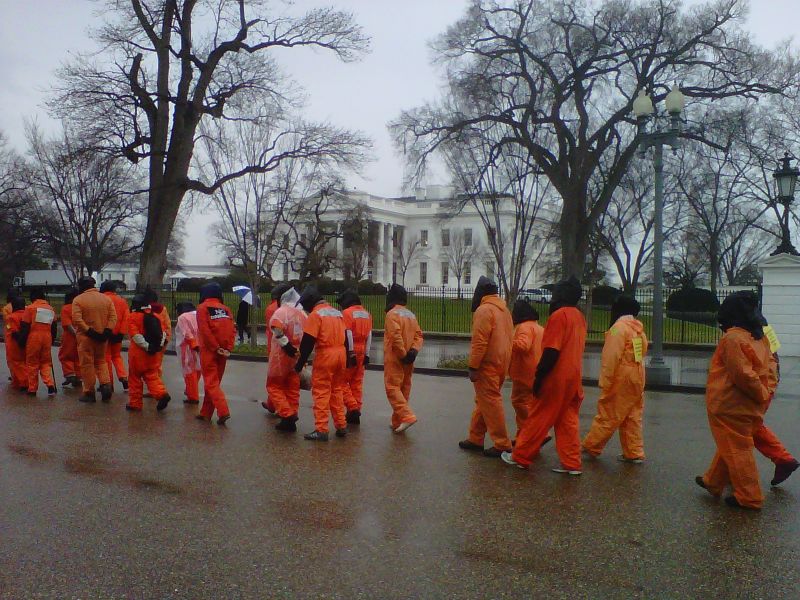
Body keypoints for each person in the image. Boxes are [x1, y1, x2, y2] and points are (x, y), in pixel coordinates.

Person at [696, 293, 777, 510]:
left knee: (737, 449)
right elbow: (771, 366)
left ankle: (750, 497)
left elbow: (741, 374)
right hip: (750, 404)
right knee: (733, 444)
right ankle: (712, 482)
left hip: (729, 404)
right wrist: (765, 392)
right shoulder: (759, 336)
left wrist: (760, 392)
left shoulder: (732, 339)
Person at [503, 276, 587, 475]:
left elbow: (551, 351)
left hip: (556, 376)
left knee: (538, 416)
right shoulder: (579, 317)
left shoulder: (559, 316)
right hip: (574, 377)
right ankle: (572, 463)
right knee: (568, 421)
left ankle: (521, 456)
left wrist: (539, 377)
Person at [739, 293, 799, 487]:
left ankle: (783, 459)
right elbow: (774, 354)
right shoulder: (763, 325)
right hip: (768, 380)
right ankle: (722, 474)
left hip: (761, 382)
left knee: (741, 428)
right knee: (745, 427)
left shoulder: (747, 327)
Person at [582, 295, 649, 463]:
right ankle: (634, 452)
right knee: (632, 415)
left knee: (609, 411)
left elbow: (611, 356)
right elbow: (641, 353)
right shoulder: (638, 329)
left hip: (622, 375)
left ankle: (592, 445)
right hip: (637, 373)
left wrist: (605, 380)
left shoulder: (617, 329)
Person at [458, 277, 514, 457]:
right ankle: (475, 438)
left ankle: (502, 443)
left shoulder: (484, 310)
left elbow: (479, 342)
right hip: (502, 362)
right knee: (484, 401)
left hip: (487, 364)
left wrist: (473, 366)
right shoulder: (504, 310)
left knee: (490, 402)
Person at [293, 285, 352, 441]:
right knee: (337, 390)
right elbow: (346, 337)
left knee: (321, 392)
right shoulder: (336, 312)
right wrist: (347, 357)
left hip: (326, 355)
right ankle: (341, 425)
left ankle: (321, 429)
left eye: (305, 305)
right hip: (341, 354)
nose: (305, 308)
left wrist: (299, 364)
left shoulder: (315, 315)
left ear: (311, 302)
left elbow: (307, 343)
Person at [383, 284, 423, 434]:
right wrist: (413, 351)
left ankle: (406, 416)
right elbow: (419, 335)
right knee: (404, 388)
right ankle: (397, 421)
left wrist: (402, 354)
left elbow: (395, 336)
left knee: (392, 388)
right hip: (409, 358)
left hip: (396, 358)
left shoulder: (391, 314)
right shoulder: (411, 315)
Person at [267, 286, 306, 432]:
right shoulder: (302, 313)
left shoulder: (281, 311)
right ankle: (293, 413)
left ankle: (286, 414)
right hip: (297, 355)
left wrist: (286, 345)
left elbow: (277, 329)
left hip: (281, 355)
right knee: (293, 387)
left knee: (274, 386)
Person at [72, 276, 117, 403]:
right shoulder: (106, 299)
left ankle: (89, 392)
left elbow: (77, 319)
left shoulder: (78, 300)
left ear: (81, 286)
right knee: (101, 362)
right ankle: (106, 384)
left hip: (86, 337)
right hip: (103, 337)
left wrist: (89, 331)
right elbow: (113, 317)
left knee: (87, 364)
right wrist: (107, 331)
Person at [195, 282, 235, 425]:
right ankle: (206, 412)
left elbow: (205, 331)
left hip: (209, 350)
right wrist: (228, 348)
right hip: (224, 352)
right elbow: (232, 330)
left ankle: (223, 411)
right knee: (214, 383)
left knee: (211, 383)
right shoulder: (227, 309)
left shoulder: (202, 308)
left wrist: (214, 347)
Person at [126, 294, 170, 412]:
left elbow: (135, 336)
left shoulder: (132, 317)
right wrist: (157, 347)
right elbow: (164, 333)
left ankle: (135, 404)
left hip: (138, 354)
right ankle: (161, 394)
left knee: (134, 379)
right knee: (152, 377)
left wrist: (147, 347)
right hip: (154, 354)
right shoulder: (156, 316)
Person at [508, 299, 544, 440]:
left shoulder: (523, 327)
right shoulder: (539, 328)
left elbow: (523, 346)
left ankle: (533, 433)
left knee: (519, 402)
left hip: (524, 372)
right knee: (531, 404)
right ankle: (525, 436)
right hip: (537, 372)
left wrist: (507, 341)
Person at [337, 288, 373, 424]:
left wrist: (350, 352)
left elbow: (348, 333)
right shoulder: (366, 313)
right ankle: (356, 409)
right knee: (357, 382)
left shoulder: (346, 313)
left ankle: (352, 408)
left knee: (341, 381)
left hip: (350, 350)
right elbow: (369, 334)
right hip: (363, 349)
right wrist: (367, 354)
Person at [21, 289, 57, 397]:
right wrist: (52, 340)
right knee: (45, 362)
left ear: (33, 298)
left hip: (34, 338)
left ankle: (32, 389)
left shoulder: (30, 308)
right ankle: (50, 384)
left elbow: (25, 326)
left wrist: (21, 341)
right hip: (47, 337)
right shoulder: (51, 309)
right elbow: (54, 327)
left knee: (32, 363)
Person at [262, 282, 291, 413]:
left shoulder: (271, 308)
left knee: (274, 380)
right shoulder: (293, 307)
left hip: (275, 347)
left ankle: (275, 405)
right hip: (291, 345)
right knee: (288, 380)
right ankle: (275, 405)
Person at [100, 280, 130, 391]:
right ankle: (123, 377)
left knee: (106, 358)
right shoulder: (122, 301)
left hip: (106, 332)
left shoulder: (102, 300)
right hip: (118, 333)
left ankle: (109, 383)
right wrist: (122, 332)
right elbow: (126, 317)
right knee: (117, 356)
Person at [175, 302, 202, 404]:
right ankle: (190, 390)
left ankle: (193, 396)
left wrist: (193, 344)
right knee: (197, 369)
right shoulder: (198, 314)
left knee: (189, 372)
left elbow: (186, 333)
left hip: (187, 348)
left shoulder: (183, 317)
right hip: (201, 347)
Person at [58, 289, 81, 389]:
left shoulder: (66, 308)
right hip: (82, 335)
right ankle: (78, 376)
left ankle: (70, 374)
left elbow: (67, 325)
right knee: (78, 357)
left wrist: (75, 334)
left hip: (70, 336)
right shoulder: (80, 307)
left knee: (65, 356)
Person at [4, 296, 28, 391]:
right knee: (25, 362)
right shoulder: (27, 314)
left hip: (14, 344)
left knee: (17, 364)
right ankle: (19, 382)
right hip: (27, 342)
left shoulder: (11, 317)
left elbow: (11, 329)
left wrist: (20, 341)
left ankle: (23, 383)